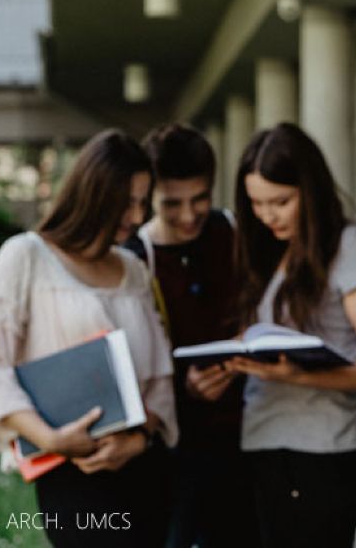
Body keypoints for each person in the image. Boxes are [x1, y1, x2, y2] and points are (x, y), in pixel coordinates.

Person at [0, 129, 177, 547]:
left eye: (141, 202)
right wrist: (51, 439)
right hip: (71, 473)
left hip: (143, 469)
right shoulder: (26, 257)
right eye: (126, 202)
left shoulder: (134, 270)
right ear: (94, 193)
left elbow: (160, 378)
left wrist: (138, 439)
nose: (136, 217)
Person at [222, 122, 356, 547]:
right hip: (261, 443)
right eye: (257, 204)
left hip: (323, 452)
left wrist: (297, 376)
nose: (267, 215)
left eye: (281, 201)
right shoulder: (272, 252)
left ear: (311, 189)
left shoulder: (352, 248)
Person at [122, 123, 259, 548]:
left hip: (248, 437)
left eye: (200, 199)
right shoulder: (134, 257)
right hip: (172, 449)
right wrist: (185, 387)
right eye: (172, 204)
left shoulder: (235, 232)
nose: (188, 215)